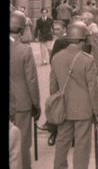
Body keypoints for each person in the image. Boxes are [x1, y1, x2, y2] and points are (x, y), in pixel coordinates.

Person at [50, 21, 98, 169]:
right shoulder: (87, 59)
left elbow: (53, 87)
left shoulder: (57, 57)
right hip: (83, 110)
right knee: (82, 146)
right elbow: (93, 88)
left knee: (62, 142)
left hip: (63, 106)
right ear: (83, 39)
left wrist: (55, 105)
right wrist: (97, 111)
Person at [10, 10, 41, 169]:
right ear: (21, 30)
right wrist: (36, 104)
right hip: (21, 104)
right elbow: (31, 80)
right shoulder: (24, 50)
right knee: (22, 143)